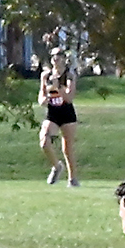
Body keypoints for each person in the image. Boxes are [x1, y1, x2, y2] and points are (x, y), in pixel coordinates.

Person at [39, 50, 78, 187]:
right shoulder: (46, 75)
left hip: (67, 113)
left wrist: (58, 87)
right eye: (53, 56)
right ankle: (56, 166)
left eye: (59, 56)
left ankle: (72, 178)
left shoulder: (69, 76)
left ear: (63, 59)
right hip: (52, 113)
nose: (56, 58)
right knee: (44, 141)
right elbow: (41, 98)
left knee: (67, 148)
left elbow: (69, 98)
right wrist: (45, 99)